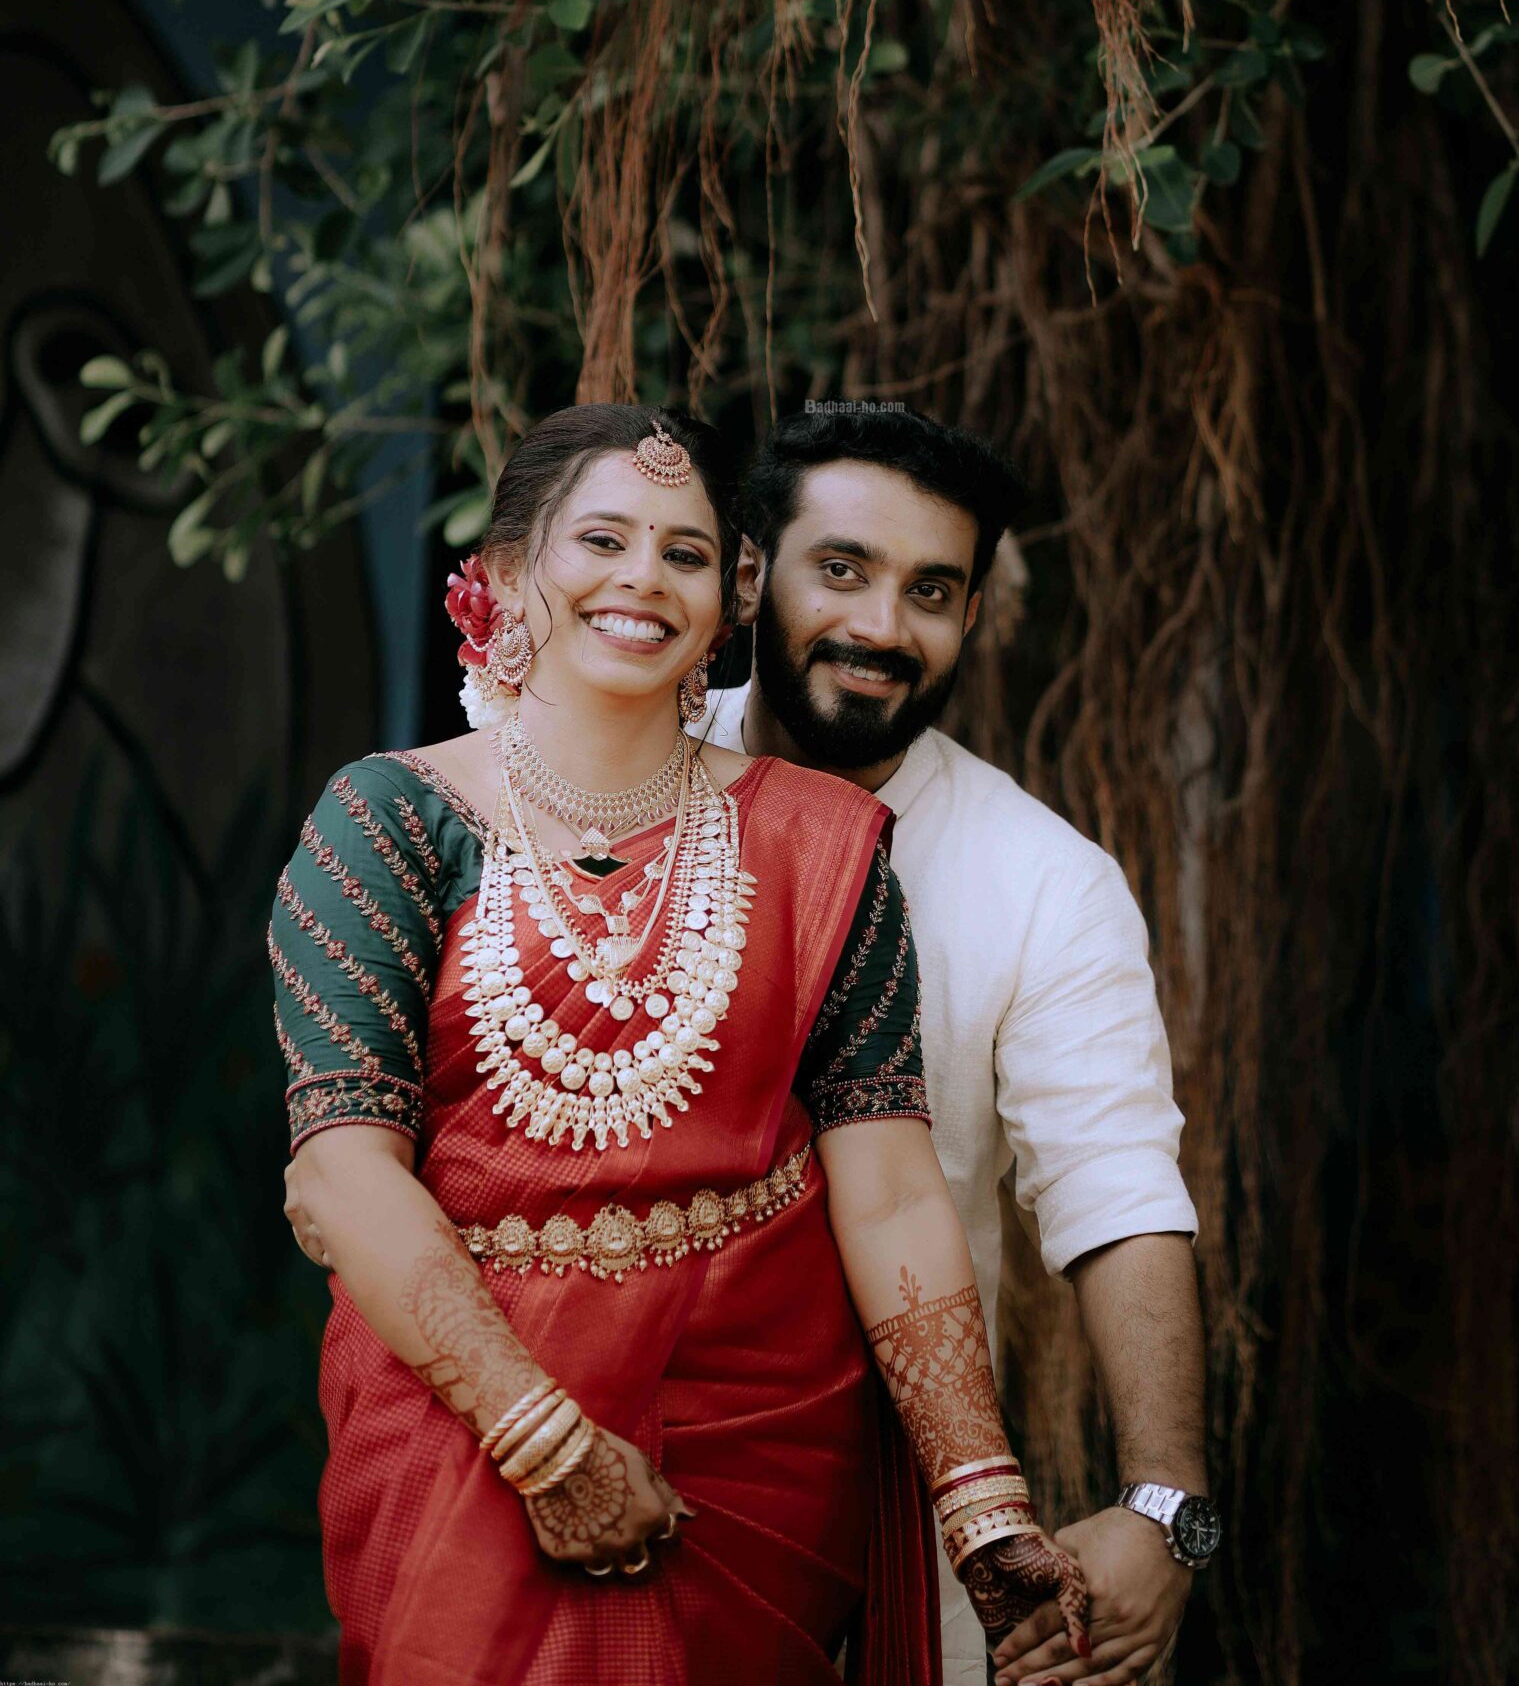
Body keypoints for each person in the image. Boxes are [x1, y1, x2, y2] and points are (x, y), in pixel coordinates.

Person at [271, 404, 1091, 1686]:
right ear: (501, 574)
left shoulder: (821, 846)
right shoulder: (383, 823)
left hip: (756, 1443)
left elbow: (888, 1191)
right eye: (602, 537)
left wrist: (981, 1497)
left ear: (733, 603)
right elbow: (339, 1174)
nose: (644, 577)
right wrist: (543, 1440)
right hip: (461, 1426)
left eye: (688, 553)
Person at [707, 404, 1216, 1686]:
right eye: (843, 570)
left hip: (890, 1510)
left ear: (974, 614)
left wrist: (1166, 1503)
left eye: (932, 589)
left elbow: (1117, 1193)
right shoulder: (614, 763)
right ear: (753, 571)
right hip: (593, 1466)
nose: (884, 625)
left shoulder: (1046, 881)